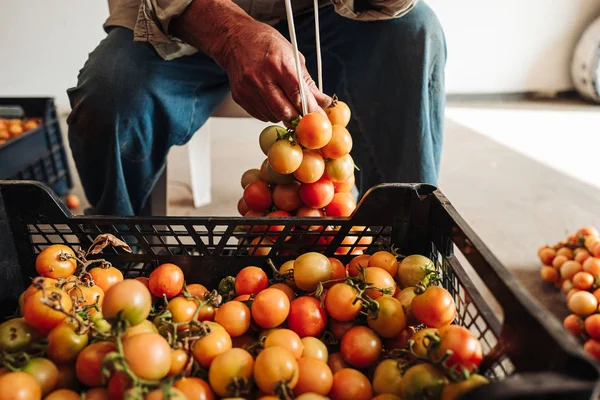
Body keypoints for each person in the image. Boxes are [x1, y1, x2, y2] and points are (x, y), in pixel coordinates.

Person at [67, 0, 446, 216]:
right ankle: (119, 253)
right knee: (112, 91)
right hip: (178, 20)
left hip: (326, 16)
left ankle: (400, 241)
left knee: (414, 33)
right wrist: (229, 34)